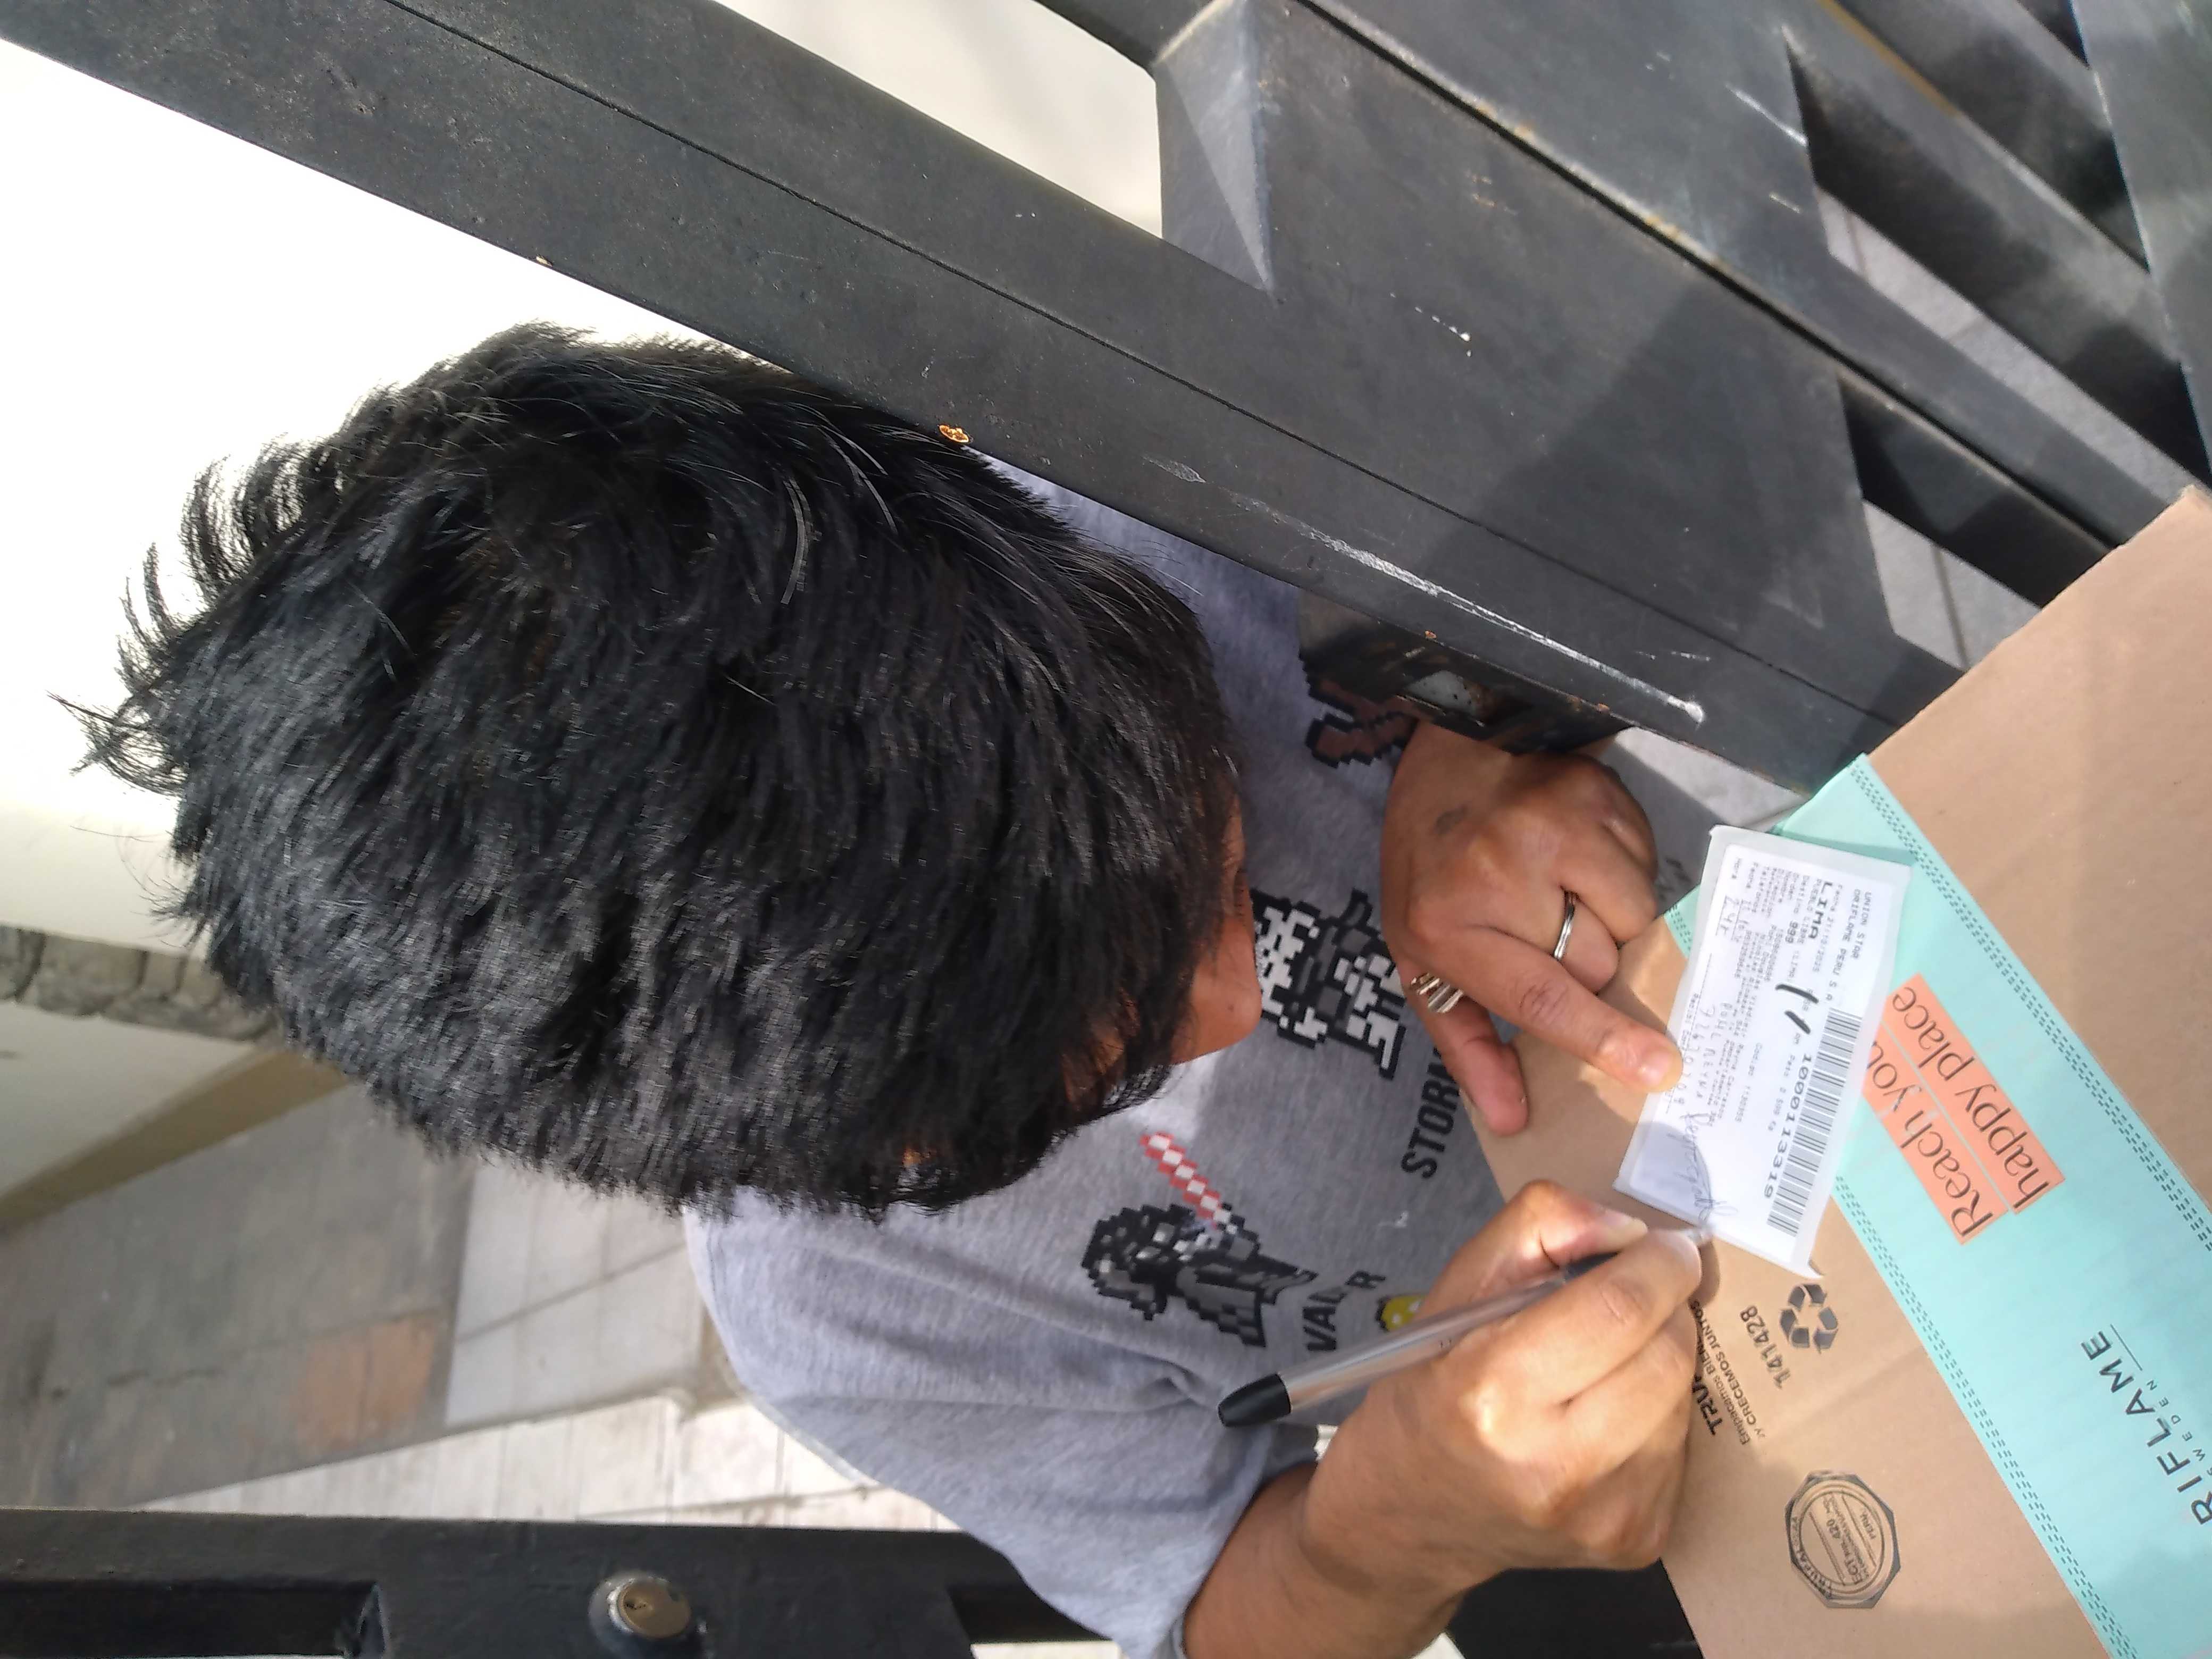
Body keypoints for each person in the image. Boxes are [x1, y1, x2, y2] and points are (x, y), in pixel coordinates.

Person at [85, 325, 1700, 1658]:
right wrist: (1400, 1519)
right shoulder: (851, 1316)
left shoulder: (1122, 444)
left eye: (1211, 868)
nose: (1232, 1007)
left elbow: (1568, 373)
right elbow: (1225, 1606)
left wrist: (1456, 702)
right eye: (1109, 1065)